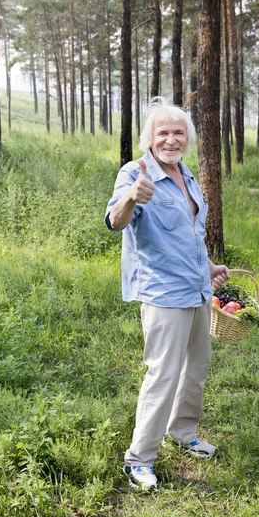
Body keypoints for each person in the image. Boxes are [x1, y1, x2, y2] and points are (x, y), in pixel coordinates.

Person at [105, 97, 230, 491]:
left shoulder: (185, 174)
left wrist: (208, 268)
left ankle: (184, 432)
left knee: (197, 366)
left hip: (196, 288)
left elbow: (190, 233)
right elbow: (114, 220)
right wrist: (131, 197)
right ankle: (139, 458)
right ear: (150, 138)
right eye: (163, 133)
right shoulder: (136, 172)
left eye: (178, 133)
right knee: (163, 373)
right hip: (163, 292)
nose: (171, 140)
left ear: (187, 139)